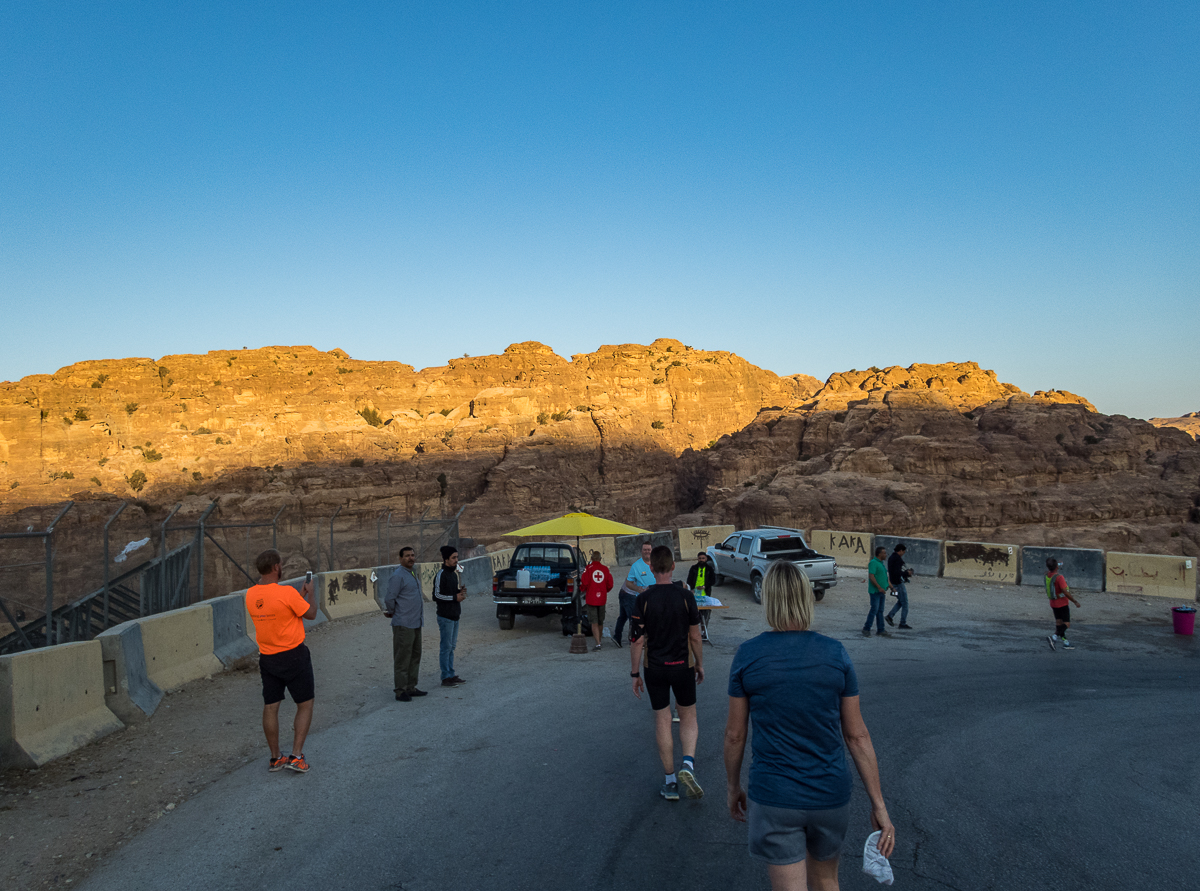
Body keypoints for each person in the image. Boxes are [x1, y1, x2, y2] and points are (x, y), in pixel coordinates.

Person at [725, 561, 896, 891]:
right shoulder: (835, 654)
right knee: (827, 881)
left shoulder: (748, 655)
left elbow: (735, 735)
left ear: (769, 600)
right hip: (829, 795)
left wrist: (733, 788)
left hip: (775, 796)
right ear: (806, 597)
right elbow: (857, 735)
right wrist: (879, 805)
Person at [630, 545, 704, 801]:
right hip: (682, 666)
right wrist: (700, 664)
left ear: (651, 569)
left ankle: (670, 782)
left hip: (655, 669)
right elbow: (695, 636)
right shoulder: (686, 596)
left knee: (662, 721)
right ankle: (688, 764)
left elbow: (637, 640)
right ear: (673, 566)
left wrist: (634, 674)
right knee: (688, 717)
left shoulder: (643, 599)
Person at [245, 549, 318, 773]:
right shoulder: (286, 593)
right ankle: (296, 756)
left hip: (268, 658)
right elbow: (311, 614)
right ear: (277, 567)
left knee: (271, 706)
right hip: (294, 655)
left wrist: (299, 597)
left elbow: (280, 612)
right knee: (304, 704)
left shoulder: (250, 595)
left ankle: (276, 758)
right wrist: (310, 594)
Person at [384, 546, 427, 701]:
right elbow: (390, 598)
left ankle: (411, 687)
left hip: (416, 622)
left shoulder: (412, 573)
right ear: (400, 558)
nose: (411, 558)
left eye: (413, 555)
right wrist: (393, 612)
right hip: (404, 624)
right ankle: (400, 690)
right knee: (403, 658)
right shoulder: (398, 576)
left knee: (415, 656)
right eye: (407, 556)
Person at [433, 545, 467, 686]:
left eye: (457, 557)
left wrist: (460, 591)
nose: (456, 560)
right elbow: (436, 595)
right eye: (453, 558)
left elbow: (451, 593)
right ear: (446, 559)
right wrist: (455, 597)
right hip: (445, 617)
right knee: (446, 647)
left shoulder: (453, 574)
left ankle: (451, 674)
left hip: (455, 616)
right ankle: (445, 677)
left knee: (452, 647)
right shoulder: (441, 575)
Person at [612, 540, 655, 648]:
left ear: (652, 550)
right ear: (641, 551)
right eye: (645, 550)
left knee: (623, 616)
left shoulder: (655, 564)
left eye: (649, 549)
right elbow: (628, 583)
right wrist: (638, 589)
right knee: (634, 618)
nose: (647, 551)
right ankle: (636, 640)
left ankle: (617, 637)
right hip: (627, 594)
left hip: (638, 595)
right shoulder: (636, 566)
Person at [1045, 557, 1082, 651]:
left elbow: (1053, 566)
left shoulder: (1047, 575)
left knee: (1059, 623)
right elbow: (1065, 592)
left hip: (1053, 603)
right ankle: (1053, 637)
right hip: (1062, 603)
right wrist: (1075, 601)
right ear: (1056, 567)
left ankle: (1065, 642)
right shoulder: (1059, 578)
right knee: (1067, 624)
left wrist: (1058, 564)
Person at [580, 550, 614, 651]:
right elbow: (610, 584)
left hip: (591, 599)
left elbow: (584, 583)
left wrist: (581, 588)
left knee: (593, 621)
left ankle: (597, 643)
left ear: (591, 559)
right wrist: (604, 591)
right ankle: (599, 641)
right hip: (602, 598)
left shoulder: (588, 568)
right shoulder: (605, 569)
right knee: (600, 621)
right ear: (600, 559)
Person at [864, 547, 892, 637]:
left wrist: (891, 587)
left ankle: (881, 629)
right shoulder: (873, 563)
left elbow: (885, 578)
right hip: (875, 591)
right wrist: (879, 587)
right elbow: (871, 576)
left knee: (880, 611)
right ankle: (866, 628)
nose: (885, 555)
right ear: (879, 554)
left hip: (881, 591)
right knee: (874, 609)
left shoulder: (881, 563)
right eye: (884, 553)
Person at [884, 544, 913, 630]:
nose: (903, 553)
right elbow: (898, 573)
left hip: (893, 583)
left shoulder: (891, 558)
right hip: (898, 584)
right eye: (903, 552)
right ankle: (902, 623)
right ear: (900, 550)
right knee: (905, 603)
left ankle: (890, 616)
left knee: (901, 601)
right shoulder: (897, 559)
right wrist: (906, 574)